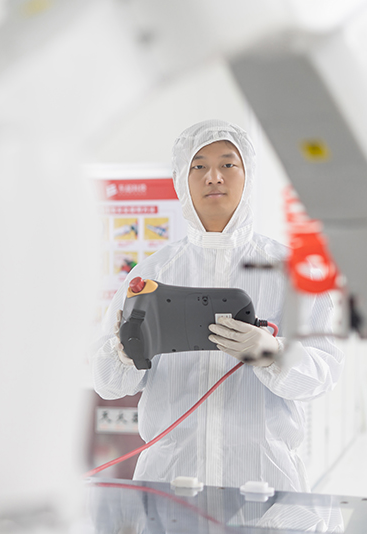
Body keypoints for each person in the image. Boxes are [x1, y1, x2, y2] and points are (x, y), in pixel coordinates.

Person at [91, 119, 344, 492]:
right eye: (199, 166)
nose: (214, 177)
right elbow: (107, 384)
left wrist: (273, 353)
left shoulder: (291, 273)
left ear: (248, 175)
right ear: (182, 179)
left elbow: (324, 374)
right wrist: (124, 353)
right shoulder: (151, 274)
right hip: (168, 478)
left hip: (264, 480)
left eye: (228, 163)